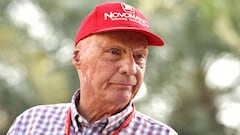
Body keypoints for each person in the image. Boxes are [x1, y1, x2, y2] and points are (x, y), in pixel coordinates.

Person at [7, 2, 178, 135]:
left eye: (139, 56)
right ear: (77, 57)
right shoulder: (31, 123)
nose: (130, 68)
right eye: (114, 52)